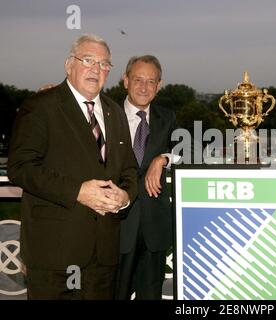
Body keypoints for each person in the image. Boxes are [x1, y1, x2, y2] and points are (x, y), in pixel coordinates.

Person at [7, 34, 138, 299]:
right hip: (54, 254)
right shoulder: (40, 106)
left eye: (103, 64)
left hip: (103, 255)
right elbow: (20, 167)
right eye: (88, 60)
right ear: (69, 65)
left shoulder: (116, 113)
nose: (96, 69)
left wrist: (125, 197)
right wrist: (77, 191)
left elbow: (129, 171)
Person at [114, 55, 176, 300]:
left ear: (159, 86)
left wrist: (163, 159)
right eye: (138, 79)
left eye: (151, 81)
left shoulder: (167, 117)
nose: (143, 87)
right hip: (115, 227)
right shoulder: (106, 113)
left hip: (154, 228)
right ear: (125, 81)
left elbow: (189, 149)